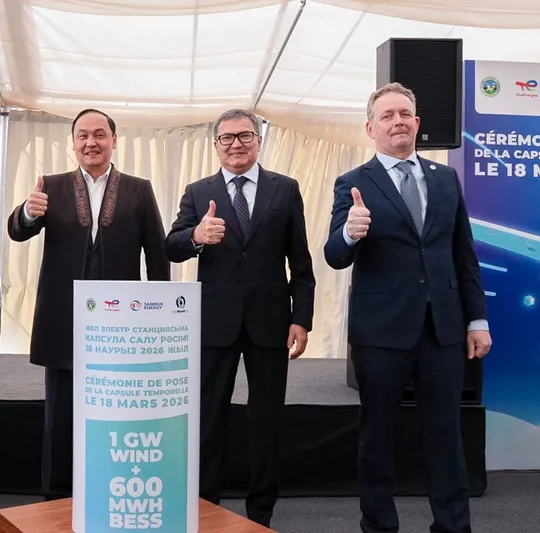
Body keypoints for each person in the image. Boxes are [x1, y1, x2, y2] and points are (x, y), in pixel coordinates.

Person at [323, 82, 492, 533]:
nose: (397, 121)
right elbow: (334, 255)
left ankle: (453, 526)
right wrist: (350, 232)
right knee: (377, 438)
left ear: (416, 123)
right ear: (370, 128)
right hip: (381, 334)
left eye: (404, 114)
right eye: (387, 115)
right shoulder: (353, 183)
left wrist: (477, 319)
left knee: (446, 437)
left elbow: (463, 254)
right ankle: (379, 526)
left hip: (442, 330)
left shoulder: (444, 179)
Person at [7, 108, 170, 500]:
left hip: (121, 325)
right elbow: (17, 231)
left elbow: (157, 254)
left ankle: (107, 494)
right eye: (82, 135)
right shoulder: (50, 186)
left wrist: (160, 317)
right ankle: (56, 499)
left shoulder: (139, 189)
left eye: (99, 134)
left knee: (115, 416)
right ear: (73, 142)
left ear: (114, 140)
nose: (91, 143)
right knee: (59, 417)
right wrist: (27, 212)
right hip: (63, 318)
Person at [166, 108, 315, 527]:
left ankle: (261, 514)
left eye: (245, 136)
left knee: (266, 420)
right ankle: (205, 508)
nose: (236, 144)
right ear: (216, 145)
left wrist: (302, 318)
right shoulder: (199, 191)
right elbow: (171, 245)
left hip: (271, 321)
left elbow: (300, 261)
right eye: (227, 138)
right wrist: (196, 236)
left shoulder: (285, 189)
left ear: (258, 141)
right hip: (214, 323)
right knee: (208, 418)